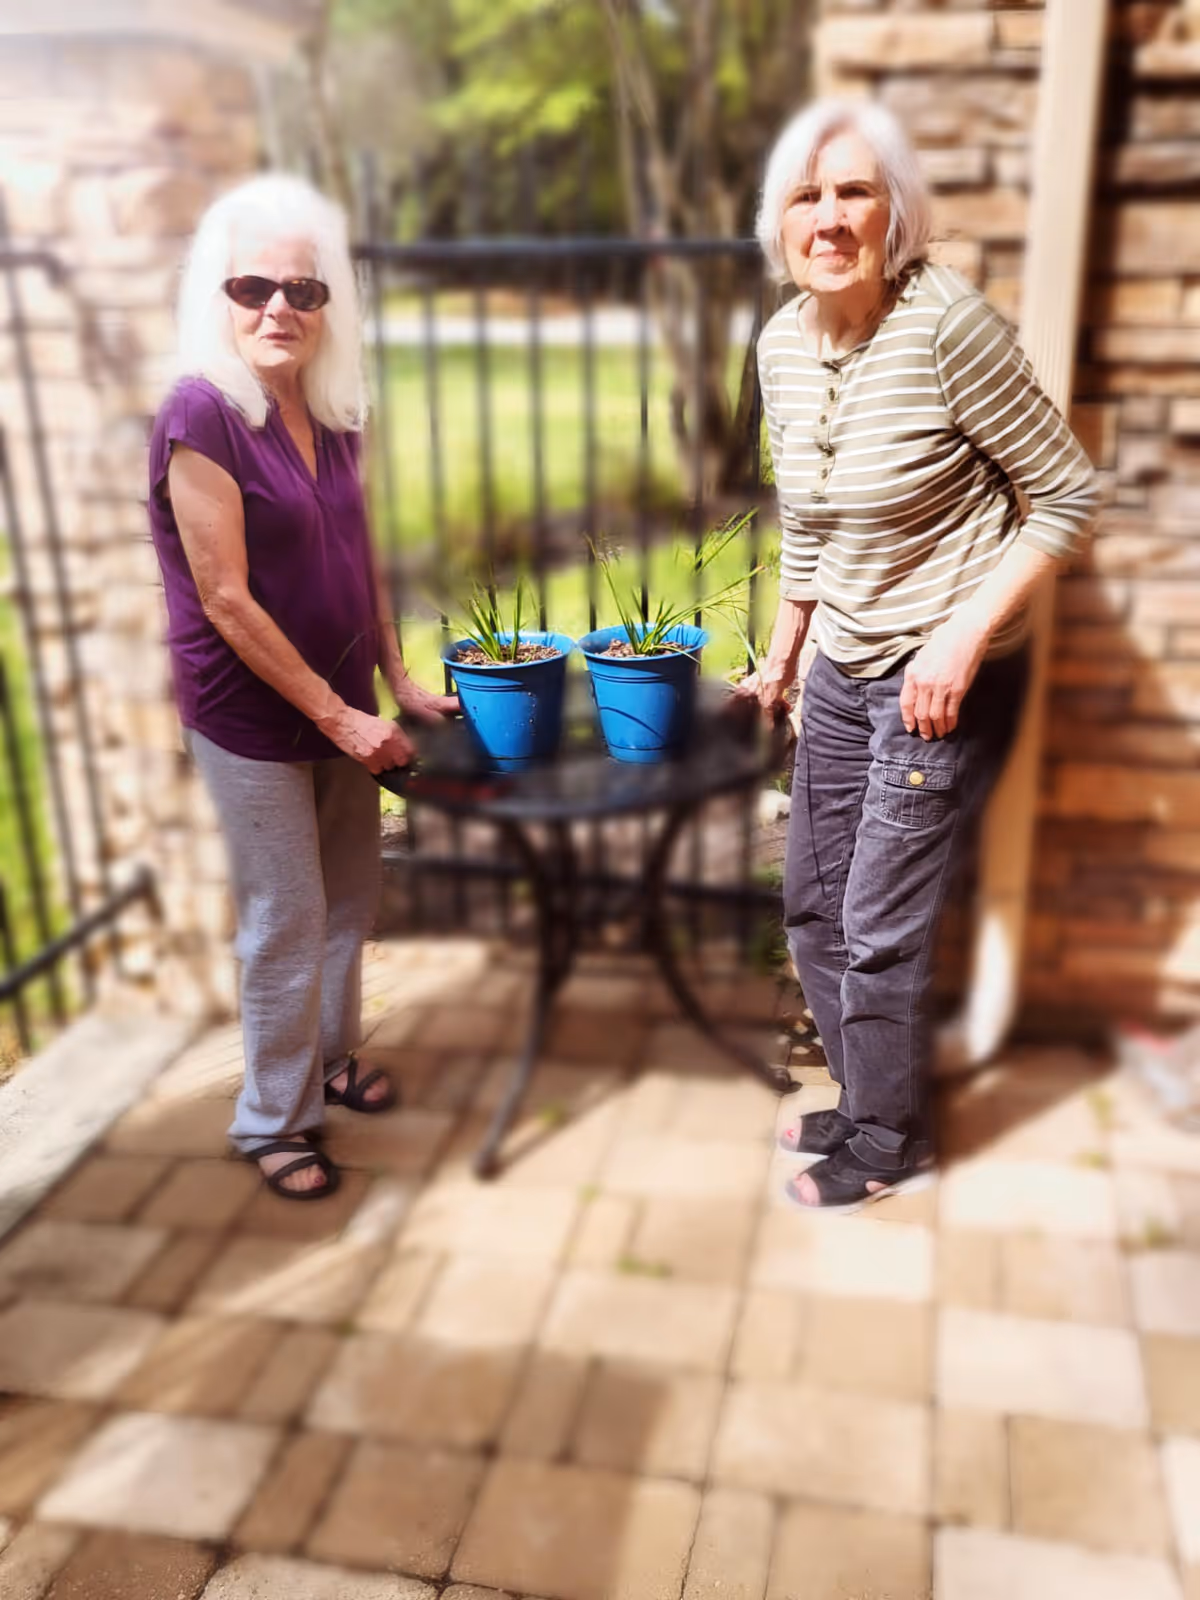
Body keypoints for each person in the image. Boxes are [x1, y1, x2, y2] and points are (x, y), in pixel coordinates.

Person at [739, 100, 1098, 1211]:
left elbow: (1068, 493)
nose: (832, 217)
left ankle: (889, 1140)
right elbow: (808, 519)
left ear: (895, 210)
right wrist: (784, 654)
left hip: (938, 677)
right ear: (780, 220)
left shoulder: (948, 328)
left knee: (878, 926)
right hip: (844, 665)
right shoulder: (781, 345)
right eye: (808, 195)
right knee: (810, 903)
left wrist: (960, 634)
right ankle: (863, 1093)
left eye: (855, 191)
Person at [148, 175, 455, 1200]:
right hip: (253, 719)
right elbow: (226, 598)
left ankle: (327, 1060)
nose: (278, 307)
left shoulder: (330, 410)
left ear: (330, 308)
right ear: (218, 297)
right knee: (286, 910)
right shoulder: (203, 412)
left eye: (303, 290)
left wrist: (398, 678)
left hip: (347, 707)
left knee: (348, 897)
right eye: (253, 286)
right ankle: (271, 1118)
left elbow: (360, 554)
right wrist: (338, 715)